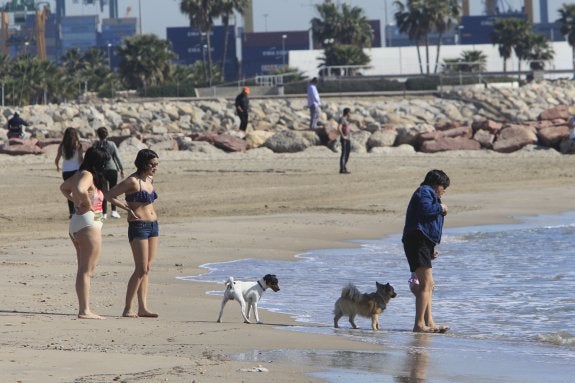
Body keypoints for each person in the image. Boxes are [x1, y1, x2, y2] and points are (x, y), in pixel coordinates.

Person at [105, 149, 160, 318]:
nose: (155, 167)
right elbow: (109, 195)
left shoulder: (149, 179)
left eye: (157, 164)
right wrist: (127, 208)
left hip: (153, 226)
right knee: (140, 268)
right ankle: (128, 308)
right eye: (153, 164)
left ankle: (143, 308)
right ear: (144, 163)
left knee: (147, 268)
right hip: (139, 226)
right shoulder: (132, 181)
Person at [60, 146, 110, 320]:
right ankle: (85, 310)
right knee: (86, 270)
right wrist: (86, 203)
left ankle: (84, 308)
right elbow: (80, 189)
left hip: (77, 222)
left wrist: (75, 201)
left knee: (83, 269)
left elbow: (64, 188)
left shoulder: (78, 173)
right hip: (88, 223)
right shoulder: (87, 175)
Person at [402, 169, 450, 333]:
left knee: (429, 285)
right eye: (444, 188)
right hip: (417, 241)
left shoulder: (428, 194)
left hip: (421, 242)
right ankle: (419, 324)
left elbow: (425, 224)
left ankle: (429, 322)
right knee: (426, 284)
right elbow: (425, 210)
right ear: (438, 185)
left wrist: (430, 249)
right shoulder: (425, 191)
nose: (443, 193)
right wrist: (441, 208)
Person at [93, 127, 124, 219]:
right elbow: (117, 157)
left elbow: (93, 158)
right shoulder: (111, 144)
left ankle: (104, 213)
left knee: (102, 192)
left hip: (100, 171)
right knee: (113, 191)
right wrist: (121, 169)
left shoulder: (96, 145)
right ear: (107, 135)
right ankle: (114, 211)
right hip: (112, 169)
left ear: (98, 135)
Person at [55, 127, 84, 219]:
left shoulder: (62, 145)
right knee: (77, 191)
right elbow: (80, 159)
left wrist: (57, 167)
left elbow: (57, 159)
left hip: (66, 171)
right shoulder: (78, 145)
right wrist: (84, 168)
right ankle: (78, 209)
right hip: (76, 171)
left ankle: (72, 212)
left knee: (68, 192)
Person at [337, 107, 352, 174]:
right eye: (350, 113)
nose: (350, 114)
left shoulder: (347, 120)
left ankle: (344, 167)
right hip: (344, 139)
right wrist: (343, 136)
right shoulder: (342, 119)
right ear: (347, 113)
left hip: (348, 139)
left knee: (347, 154)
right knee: (344, 153)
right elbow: (339, 128)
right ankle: (342, 169)